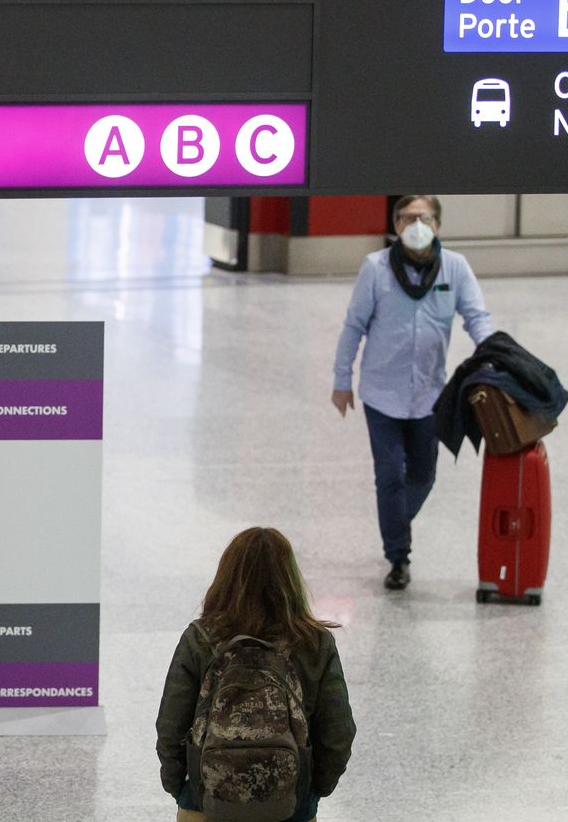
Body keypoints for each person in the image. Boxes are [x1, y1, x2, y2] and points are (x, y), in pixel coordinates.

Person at [332, 195, 494, 591]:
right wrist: (342, 379)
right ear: (396, 225)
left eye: (423, 218)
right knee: (389, 476)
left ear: (437, 225)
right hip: (381, 393)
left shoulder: (455, 267)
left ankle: (395, 524)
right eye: (406, 218)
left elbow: (476, 317)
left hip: (429, 394)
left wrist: (492, 356)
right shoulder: (375, 268)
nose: (415, 225)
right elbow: (354, 325)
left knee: (423, 475)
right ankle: (398, 557)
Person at [155, 527, 356, 822]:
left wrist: (183, 790)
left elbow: (171, 726)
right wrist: (312, 791)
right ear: (290, 579)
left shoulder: (200, 638)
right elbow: (337, 734)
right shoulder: (314, 642)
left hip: (207, 800)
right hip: (290, 803)